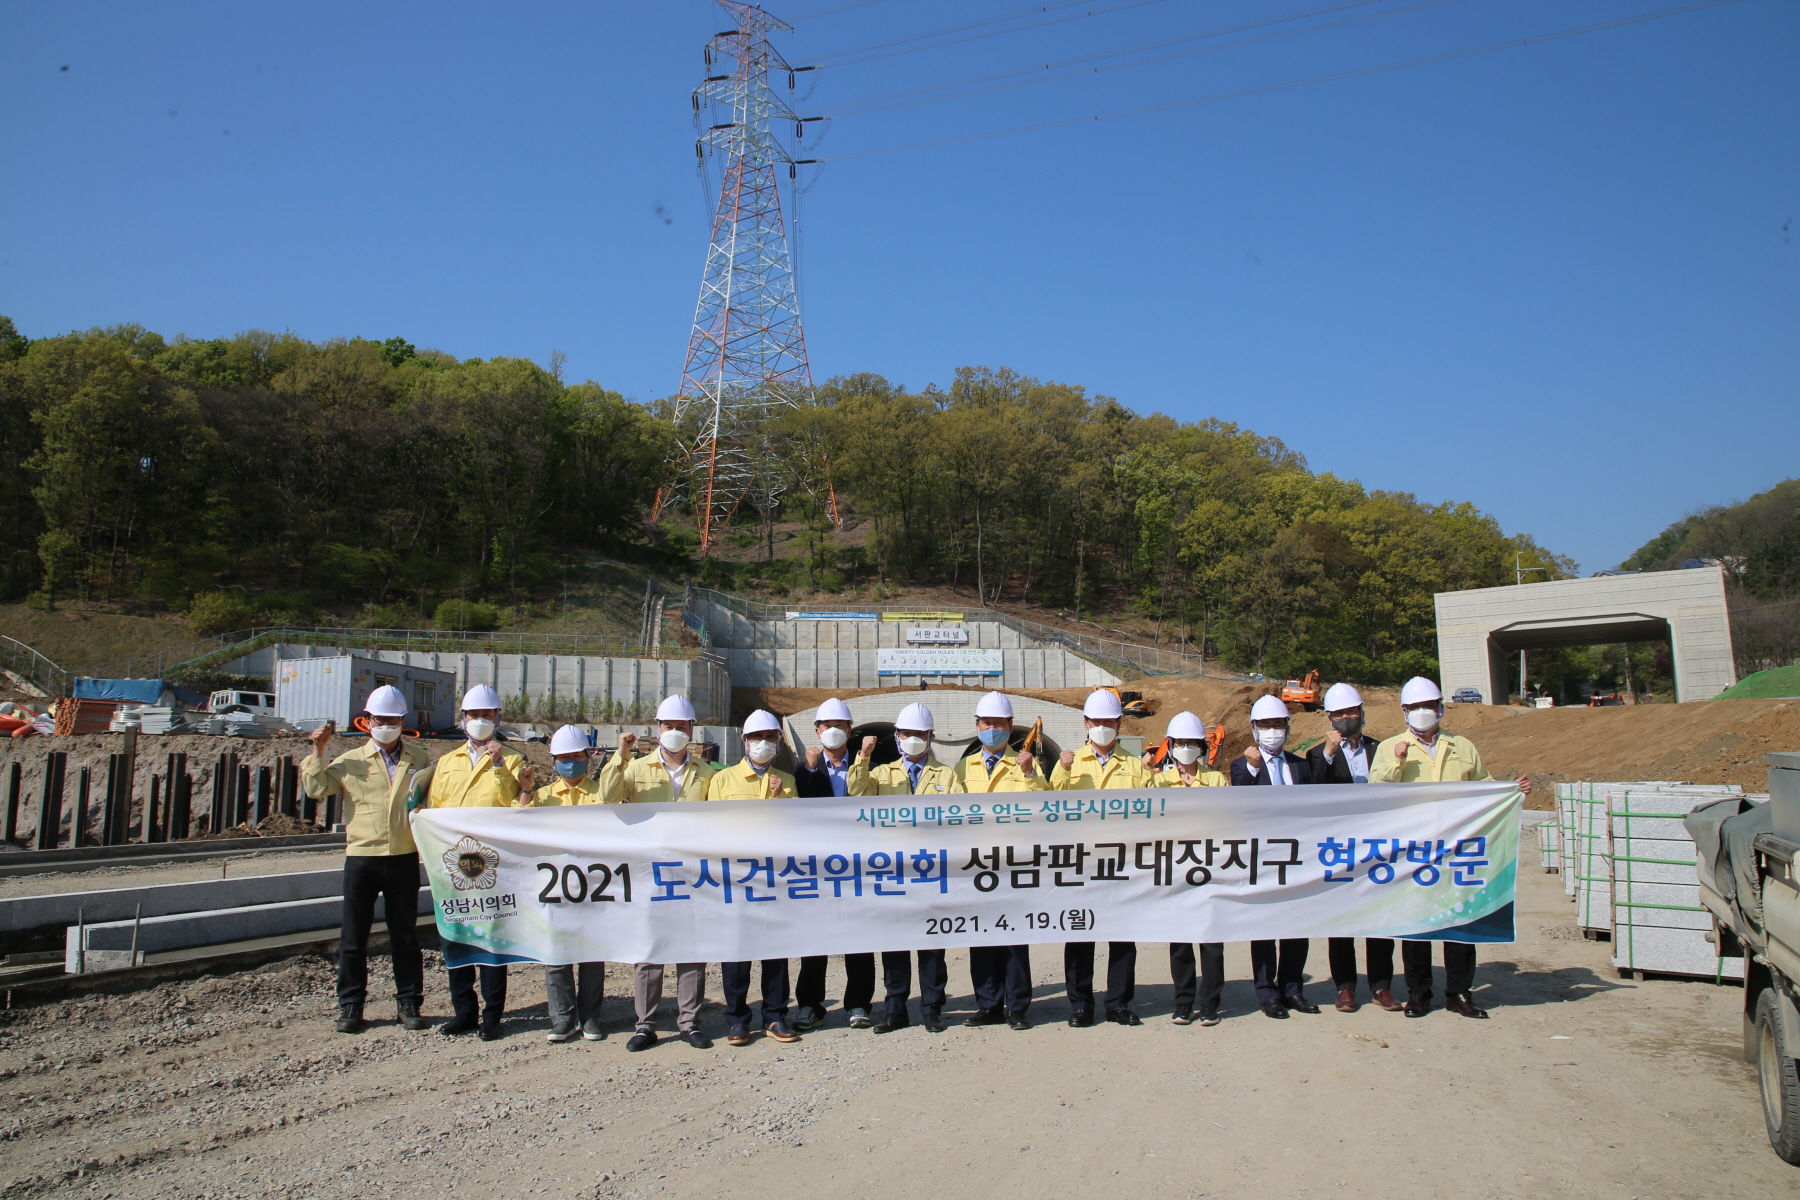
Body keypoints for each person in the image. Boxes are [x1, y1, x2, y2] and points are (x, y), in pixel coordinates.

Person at [1368, 676, 1531, 1020]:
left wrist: (1511, 792)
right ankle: (1418, 993)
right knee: (1415, 924)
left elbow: (1484, 788)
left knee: (1460, 922)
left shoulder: (1462, 746)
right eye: (1416, 707)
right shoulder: (1389, 747)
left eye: (1429, 706)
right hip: (1413, 850)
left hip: (1457, 849)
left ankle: (1459, 992)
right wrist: (1396, 762)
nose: (1423, 712)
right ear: (1404, 711)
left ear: (1441, 708)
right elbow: (1375, 792)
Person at [301, 684, 431, 1035]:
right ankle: (351, 1005)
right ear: (367, 721)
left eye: (392, 719)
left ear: (403, 721)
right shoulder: (350, 761)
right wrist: (319, 748)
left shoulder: (418, 759)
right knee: (353, 937)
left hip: (403, 856)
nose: (385, 724)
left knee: (404, 935)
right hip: (362, 858)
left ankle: (408, 1002)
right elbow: (315, 789)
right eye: (379, 719)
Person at [600, 694, 716, 1052]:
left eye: (682, 727)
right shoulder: (635, 768)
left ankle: (689, 1021)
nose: (675, 732)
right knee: (649, 950)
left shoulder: (706, 773)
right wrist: (620, 755)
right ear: (658, 728)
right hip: (649, 872)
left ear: (692, 730)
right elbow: (606, 796)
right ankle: (645, 1024)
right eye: (669, 726)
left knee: (691, 950)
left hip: (692, 872)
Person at [421, 684, 535, 1040]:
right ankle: (463, 1012)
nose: (481, 721)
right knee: (458, 934)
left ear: (498, 719)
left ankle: (492, 1015)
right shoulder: (446, 762)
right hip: (454, 862)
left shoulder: (513, 760)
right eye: (474, 715)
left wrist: (498, 764)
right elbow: (436, 807)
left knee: (492, 938)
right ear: (463, 719)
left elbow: (514, 806)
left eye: (487, 716)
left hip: (492, 864)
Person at [847, 701, 960, 1034]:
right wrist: (863, 756)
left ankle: (932, 1007)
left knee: (931, 947)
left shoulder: (947, 775)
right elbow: (855, 793)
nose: (913, 739)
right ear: (896, 737)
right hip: (893, 872)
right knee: (894, 944)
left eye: (920, 734)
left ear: (931, 737)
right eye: (907, 733)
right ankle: (895, 1009)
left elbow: (959, 819)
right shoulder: (881, 774)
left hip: (931, 871)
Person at [1049, 688, 1151, 1028]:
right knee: (1079, 935)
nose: (1102, 726)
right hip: (1080, 863)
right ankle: (1080, 1004)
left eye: (1109, 721)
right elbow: (1050, 810)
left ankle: (1118, 1003)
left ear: (1120, 724)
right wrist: (1062, 771)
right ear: (1085, 724)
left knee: (1122, 937)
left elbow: (1152, 813)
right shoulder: (1070, 763)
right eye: (1096, 721)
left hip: (1123, 864)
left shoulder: (1136, 767)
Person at [1303, 683, 1402, 1015]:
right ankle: (1345, 987)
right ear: (1330, 718)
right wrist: (1329, 754)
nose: (1347, 718)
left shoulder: (1381, 749)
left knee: (1379, 919)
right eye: (1340, 714)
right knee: (1341, 922)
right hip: (1340, 848)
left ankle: (1381, 986)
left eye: (1352, 712)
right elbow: (1313, 795)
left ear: (1362, 713)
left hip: (1377, 846)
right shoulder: (1317, 754)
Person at [706, 710, 802, 1046]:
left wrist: (778, 798)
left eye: (770, 737)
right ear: (744, 742)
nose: (763, 743)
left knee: (775, 950)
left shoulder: (787, 782)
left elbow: (793, 831)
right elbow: (715, 830)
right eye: (756, 738)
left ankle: (775, 1015)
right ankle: (736, 1019)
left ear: (779, 742)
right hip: (735, 878)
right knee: (736, 952)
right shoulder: (722, 781)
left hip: (774, 879)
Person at [955, 691, 1044, 1031]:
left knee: (1013, 939)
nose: (992, 728)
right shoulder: (964, 767)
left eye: (999, 723)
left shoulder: (1024, 764)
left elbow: (1044, 808)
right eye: (986, 723)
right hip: (976, 864)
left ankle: (1017, 1006)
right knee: (981, 939)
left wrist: (1032, 774)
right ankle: (988, 1003)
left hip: (1012, 863)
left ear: (1010, 727)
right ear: (977, 726)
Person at [1230, 694, 1317, 1020]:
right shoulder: (1242, 764)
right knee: (1264, 928)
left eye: (1277, 724)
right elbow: (1238, 804)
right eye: (1265, 725)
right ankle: (1267, 993)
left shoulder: (1300, 765)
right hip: (1262, 858)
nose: (1272, 731)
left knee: (1297, 927)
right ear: (1254, 729)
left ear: (1287, 728)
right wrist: (1252, 768)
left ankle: (1293, 988)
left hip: (1296, 857)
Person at [793, 697, 877, 1032]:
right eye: (827, 727)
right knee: (815, 940)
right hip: (819, 866)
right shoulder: (803, 769)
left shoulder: (867, 764)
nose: (833, 732)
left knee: (860, 938)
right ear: (816, 730)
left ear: (850, 730)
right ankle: (810, 1005)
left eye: (839, 727)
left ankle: (859, 1002)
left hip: (858, 864)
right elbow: (805, 811)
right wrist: (812, 770)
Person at [529, 724, 614, 1043]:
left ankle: (590, 1017)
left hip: (593, 887)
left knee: (591, 956)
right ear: (553, 761)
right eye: (564, 757)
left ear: (589, 757)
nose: (571, 762)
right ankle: (562, 1018)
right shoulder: (542, 798)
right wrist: (524, 794)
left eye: (577, 756)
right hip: (553, 887)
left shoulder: (603, 796)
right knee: (557, 955)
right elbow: (519, 831)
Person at [1152, 710, 1229, 1028]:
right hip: (1174, 870)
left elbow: (1228, 821)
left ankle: (1210, 1003)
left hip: (1210, 869)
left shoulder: (1216, 780)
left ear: (1203, 746)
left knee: (1212, 942)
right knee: (1180, 941)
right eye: (1180, 742)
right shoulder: (1157, 782)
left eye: (1192, 743)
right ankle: (1183, 1002)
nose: (1186, 748)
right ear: (1170, 746)